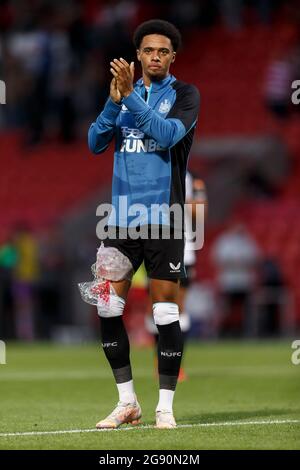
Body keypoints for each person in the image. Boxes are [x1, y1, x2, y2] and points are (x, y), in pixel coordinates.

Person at [86, 19, 200, 429]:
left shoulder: (185, 95)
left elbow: (168, 134)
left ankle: (165, 407)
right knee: (107, 304)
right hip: (120, 220)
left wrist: (130, 97)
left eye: (163, 51)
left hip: (165, 218)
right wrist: (114, 102)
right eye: (148, 50)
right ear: (138, 55)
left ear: (173, 57)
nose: (155, 56)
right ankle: (127, 402)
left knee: (166, 312)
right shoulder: (123, 97)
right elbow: (95, 141)